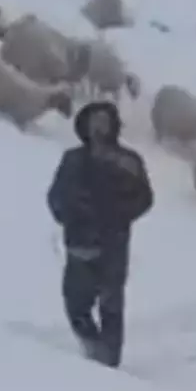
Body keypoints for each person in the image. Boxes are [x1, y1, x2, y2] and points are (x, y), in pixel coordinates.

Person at [47, 101, 153, 367]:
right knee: (76, 303)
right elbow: (56, 196)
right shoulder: (73, 159)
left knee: (111, 304)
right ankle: (93, 348)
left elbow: (144, 198)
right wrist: (69, 213)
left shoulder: (129, 161)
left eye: (105, 121)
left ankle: (109, 362)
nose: (99, 127)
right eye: (94, 120)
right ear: (84, 124)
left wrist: (117, 215)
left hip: (112, 244)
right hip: (79, 243)